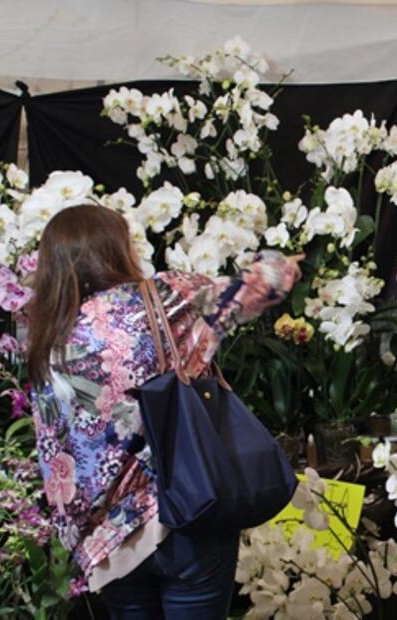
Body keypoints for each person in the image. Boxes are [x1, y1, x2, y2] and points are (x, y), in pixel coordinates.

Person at [25, 204, 301, 619]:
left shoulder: (49, 337)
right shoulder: (169, 298)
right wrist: (282, 264)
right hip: (191, 512)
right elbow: (264, 286)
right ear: (118, 248)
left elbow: (54, 454)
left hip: (109, 542)